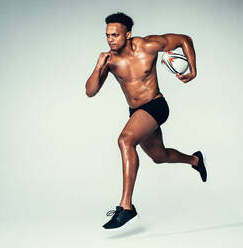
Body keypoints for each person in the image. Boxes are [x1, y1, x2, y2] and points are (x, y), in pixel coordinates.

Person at [85, 12, 207, 230]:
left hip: (156, 105)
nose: (110, 39)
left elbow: (183, 40)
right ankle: (195, 160)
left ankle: (126, 206)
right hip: (137, 113)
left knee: (125, 140)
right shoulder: (109, 61)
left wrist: (193, 70)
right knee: (160, 157)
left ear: (128, 34)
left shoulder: (147, 45)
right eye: (107, 35)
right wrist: (98, 66)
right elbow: (90, 92)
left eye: (115, 35)